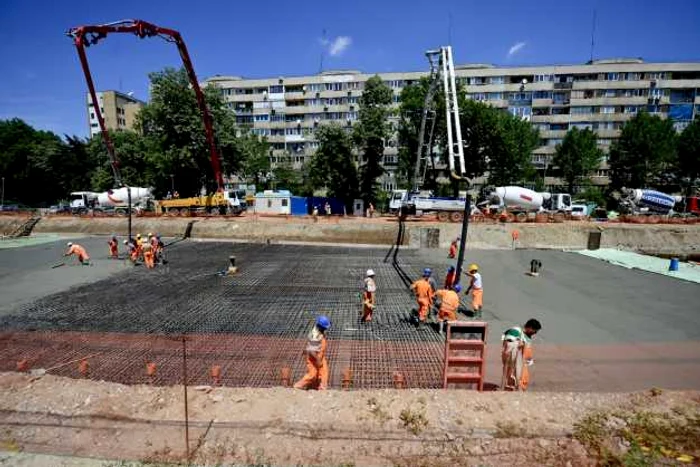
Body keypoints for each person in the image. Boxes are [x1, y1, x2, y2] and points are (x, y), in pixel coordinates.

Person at [501, 319, 542, 391]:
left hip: (523, 363)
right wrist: (519, 346)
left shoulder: (528, 337)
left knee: (524, 379)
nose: (535, 333)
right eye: (535, 330)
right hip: (513, 361)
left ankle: (519, 390)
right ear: (530, 327)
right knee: (513, 377)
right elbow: (508, 344)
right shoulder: (516, 331)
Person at [294, 315, 331, 390]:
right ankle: (298, 385)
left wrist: (320, 359)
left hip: (319, 355)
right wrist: (318, 360)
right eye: (325, 328)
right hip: (313, 357)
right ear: (321, 327)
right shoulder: (315, 335)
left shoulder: (319, 331)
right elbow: (311, 351)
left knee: (324, 371)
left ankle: (322, 387)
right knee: (312, 374)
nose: (326, 329)